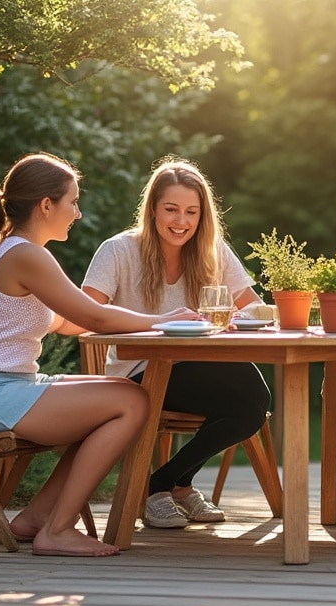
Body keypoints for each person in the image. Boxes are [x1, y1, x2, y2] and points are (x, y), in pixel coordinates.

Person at [0, 152, 198, 557]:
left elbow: (70, 322)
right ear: (46, 205)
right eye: (73, 202)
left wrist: (116, 315)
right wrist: (163, 320)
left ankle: (36, 519)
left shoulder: (24, 253)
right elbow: (92, 316)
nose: (77, 213)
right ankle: (57, 530)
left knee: (117, 392)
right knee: (131, 399)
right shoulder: (26, 254)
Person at [82, 157, 271, 530]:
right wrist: (153, 326)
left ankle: (166, 484)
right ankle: (169, 487)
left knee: (253, 399)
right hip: (136, 373)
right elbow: (85, 314)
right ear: (152, 209)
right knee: (246, 393)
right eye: (171, 209)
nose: (181, 221)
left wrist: (241, 319)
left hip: (197, 369)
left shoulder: (211, 249)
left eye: (191, 212)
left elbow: (254, 306)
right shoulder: (119, 251)